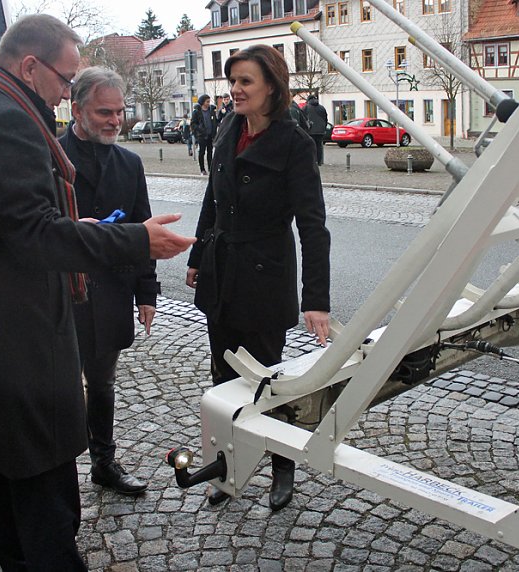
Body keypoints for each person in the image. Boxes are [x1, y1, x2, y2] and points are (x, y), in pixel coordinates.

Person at [0, 15, 194, 570]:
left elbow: (5, 225)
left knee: (2, 487)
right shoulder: (6, 121)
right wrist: (134, 240)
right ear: (28, 66)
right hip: (16, 350)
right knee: (43, 505)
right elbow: (34, 234)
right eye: (66, 79)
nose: (66, 92)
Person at [185, 44, 331, 512]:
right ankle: (225, 469)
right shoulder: (229, 126)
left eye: (245, 81)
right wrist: (197, 253)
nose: (235, 89)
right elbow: (212, 197)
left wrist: (317, 299)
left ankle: (281, 468)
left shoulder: (295, 143)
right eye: (232, 81)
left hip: (266, 275)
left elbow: (312, 225)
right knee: (222, 377)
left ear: (272, 85)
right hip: (222, 269)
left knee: (270, 382)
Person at [58, 66, 155, 496]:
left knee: (102, 384)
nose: (115, 120)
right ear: (77, 110)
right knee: (59, 388)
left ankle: (103, 461)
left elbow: (144, 231)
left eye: (119, 111)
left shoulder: (130, 163)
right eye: (104, 112)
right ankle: (58, 471)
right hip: (62, 296)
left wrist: (146, 293)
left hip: (112, 294)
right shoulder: (50, 157)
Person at [191, 93, 218, 175]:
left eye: (209, 101)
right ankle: (202, 169)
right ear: (203, 102)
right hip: (202, 135)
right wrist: (199, 129)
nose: (208, 103)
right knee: (202, 152)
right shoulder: (197, 112)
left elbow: (215, 121)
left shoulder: (211, 110)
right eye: (207, 102)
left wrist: (214, 131)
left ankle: (210, 168)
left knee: (210, 152)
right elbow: (193, 123)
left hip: (210, 135)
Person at [304, 94, 329, 166]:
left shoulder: (306, 107)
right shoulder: (322, 108)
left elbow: (303, 118)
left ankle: (312, 161)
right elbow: (325, 119)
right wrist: (324, 127)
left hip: (310, 130)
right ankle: (319, 161)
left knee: (311, 146)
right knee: (319, 146)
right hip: (321, 131)